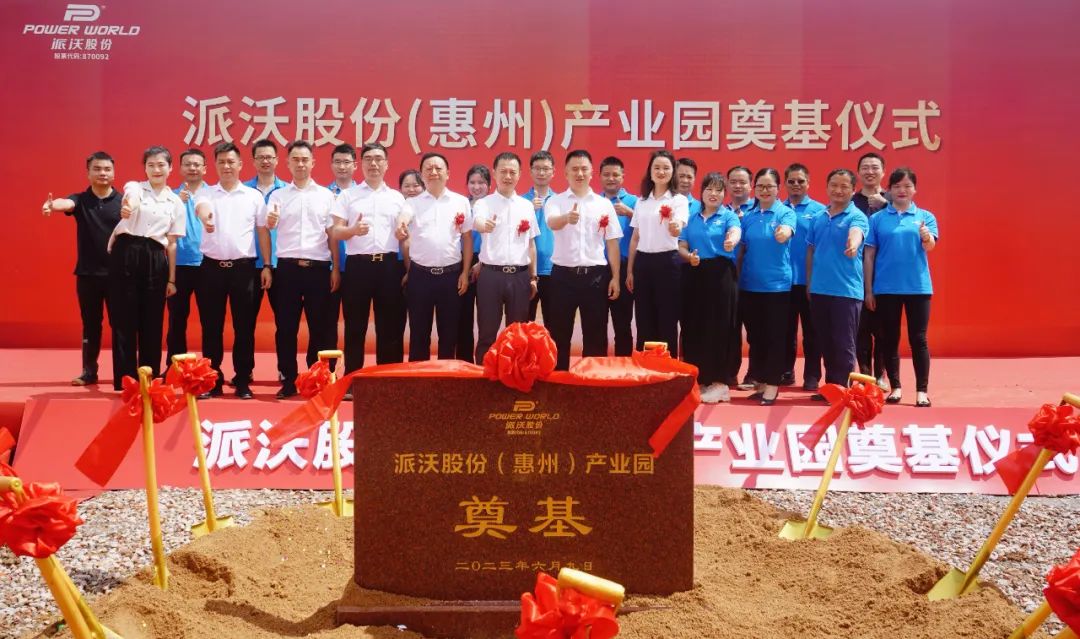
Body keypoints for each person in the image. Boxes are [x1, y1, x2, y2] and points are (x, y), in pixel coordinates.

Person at [261, 140, 338, 399]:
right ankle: (288, 378)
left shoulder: (326, 196)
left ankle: (316, 378)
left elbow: (332, 235)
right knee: (286, 328)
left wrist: (335, 268)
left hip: (319, 269)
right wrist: (272, 221)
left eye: (305, 159)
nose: (301, 164)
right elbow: (269, 225)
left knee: (319, 327)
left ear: (313, 163)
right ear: (288, 163)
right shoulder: (278, 196)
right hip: (287, 270)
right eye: (295, 159)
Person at [194, 142, 268, 399]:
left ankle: (243, 379)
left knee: (244, 327)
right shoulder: (206, 193)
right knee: (211, 327)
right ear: (215, 165)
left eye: (231, 162)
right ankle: (211, 380)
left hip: (243, 269)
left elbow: (262, 231)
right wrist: (207, 219)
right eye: (221, 162)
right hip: (211, 269)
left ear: (240, 165)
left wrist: (266, 265)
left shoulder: (253, 196)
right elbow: (202, 209)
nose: (226, 166)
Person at [41, 151, 122, 386]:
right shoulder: (81, 200)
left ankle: (123, 374)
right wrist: (52, 205)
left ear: (113, 173)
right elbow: (65, 203)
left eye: (107, 169)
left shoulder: (124, 201)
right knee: (91, 324)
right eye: (97, 169)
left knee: (120, 326)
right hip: (88, 275)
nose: (102, 173)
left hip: (119, 276)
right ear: (88, 173)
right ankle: (89, 371)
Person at [109, 146, 185, 384]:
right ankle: (125, 379)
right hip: (127, 252)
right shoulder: (135, 188)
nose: (156, 170)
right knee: (124, 317)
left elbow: (172, 243)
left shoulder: (175, 202)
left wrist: (172, 279)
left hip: (155, 256)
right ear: (145, 168)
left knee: (152, 319)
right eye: (151, 165)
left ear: (170, 168)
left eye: (161, 165)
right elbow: (130, 199)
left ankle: (148, 378)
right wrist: (128, 207)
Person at [331, 142, 410, 373]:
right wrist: (352, 231)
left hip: (389, 267)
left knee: (389, 326)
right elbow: (336, 231)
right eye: (368, 159)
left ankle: (387, 378)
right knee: (355, 326)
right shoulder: (348, 196)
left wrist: (408, 269)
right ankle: (353, 377)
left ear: (386, 164)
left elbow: (404, 237)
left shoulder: (397, 198)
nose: (373, 163)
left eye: (378, 159)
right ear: (361, 164)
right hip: (358, 267)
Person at [864, 167, 938, 407]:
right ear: (889, 190)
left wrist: (926, 236)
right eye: (896, 186)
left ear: (914, 189)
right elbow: (869, 255)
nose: (902, 191)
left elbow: (930, 246)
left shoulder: (925, 217)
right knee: (889, 338)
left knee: (919, 338)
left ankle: (922, 391)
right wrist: (869, 289)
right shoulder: (877, 219)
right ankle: (895, 387)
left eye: (907, 186)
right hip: (886, 288)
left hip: (918, 287)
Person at [545, 150, 621, 371]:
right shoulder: (556, 201)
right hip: (562, 276)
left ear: (591, 172)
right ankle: (559, 380)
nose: (579, 173)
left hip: (595, 277)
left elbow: (612, 243)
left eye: (584, 169)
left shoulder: (603, 204)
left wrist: (616, 277)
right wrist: (566, 218)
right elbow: (552, 222)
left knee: (595, 333)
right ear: (566, 173)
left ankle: (592, 381)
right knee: (559, 333)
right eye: (574, 169)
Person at [402, 152, 473, 361]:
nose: (433, 172)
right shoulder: (413, 203)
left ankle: (445, 378)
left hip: (451, 276)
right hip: (420, 276)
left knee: (449, 334)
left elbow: (467, 238)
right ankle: (418, 378)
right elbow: (404, 217)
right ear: (422, 174)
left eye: (438, 168)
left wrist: (465, 273)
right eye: (428, 168)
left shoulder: (460, 201)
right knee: (419, 334)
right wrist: (401, 224)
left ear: (448, 173)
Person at [805, 169, 869, 396]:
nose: (838, 190)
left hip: (846, 291)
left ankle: (843, 389)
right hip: (819, 289)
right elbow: (811, 251)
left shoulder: (857, 217)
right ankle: (832, 387)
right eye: (834, 185)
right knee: (826, 342)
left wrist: (853, 243)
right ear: (827, 187)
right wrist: (809, 283)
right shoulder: (819, 217)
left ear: (853, 190)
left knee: (844, 343)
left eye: (844, 186)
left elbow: (856, 233)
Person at [677, 172, 740, 403]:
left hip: (721, 275)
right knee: (694, 325)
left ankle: (720, 382)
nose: (713, 194)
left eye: (718, 190)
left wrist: (731, 241)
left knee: (720, 327)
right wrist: (688, 256)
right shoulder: (692, 218)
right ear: (701, 192)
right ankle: (700, 379)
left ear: (724, 194)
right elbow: (681, 245)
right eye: (709, 189)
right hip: (695, 274)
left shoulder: (728, 216)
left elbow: (735, 232)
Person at [737, 168, 795, 405]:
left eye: (769, 186)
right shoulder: (749, 216)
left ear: (778, 188)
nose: (764, 190)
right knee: (756, 337)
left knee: (774, 337)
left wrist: (783, 233)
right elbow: (742, 248)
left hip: (776, 287)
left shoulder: (785, 213)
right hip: (750, 285)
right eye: (760, 186)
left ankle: (772, 385)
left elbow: (787, 231)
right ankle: (760, 382)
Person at [472, 152, 538, 361]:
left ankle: (514, 374)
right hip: (491, 276)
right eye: (503, 171)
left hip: (520, 276)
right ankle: (484, 374)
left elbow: (531, 244)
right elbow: (478, 222)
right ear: (494, 173)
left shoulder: (526, 206)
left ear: (519, 174)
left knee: (517, 335)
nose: (508, 176)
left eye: (512, 172)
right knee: (487, 332)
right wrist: (484, 225)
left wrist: (533, 277)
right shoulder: (484, 204)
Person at [626, 149, 688, 356]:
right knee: (644, 317)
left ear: (673, 172)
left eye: (666, 168)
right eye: (657, 168)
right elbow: (635, 237)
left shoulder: (678, 200)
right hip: (643, 263)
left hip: (667, 263)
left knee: (667, 318)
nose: (661, 172)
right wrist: (630, 270)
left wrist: (675, 226)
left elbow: (679, 224)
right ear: (650, 172)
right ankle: (645, 365)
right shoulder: (642, 201)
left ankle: (667, 366)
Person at [242, 139, 287, 385]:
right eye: (260, 157)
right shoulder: (244, 191)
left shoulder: (287, 191)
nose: (265, 161)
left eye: (270, 157)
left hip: (281, 264)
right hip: (250, 264)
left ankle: (285, 369)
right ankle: (245, 370)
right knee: (246, 322)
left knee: (285, 322)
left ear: (277, 160)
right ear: (253, 161)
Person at [782, 163, 827, 390]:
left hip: (810, 281)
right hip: (783, 282)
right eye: (791, 181)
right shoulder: (778, 209)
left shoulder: (820, 211)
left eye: (800, 181)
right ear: (785, 183)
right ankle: (786, 371)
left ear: (808, 183)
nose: (796, 185)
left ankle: (812, 376)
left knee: (812, 332)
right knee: (785, 331)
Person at [165, 149, 211, 372]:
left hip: (208, 265)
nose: (192, 168)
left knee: (210, 322)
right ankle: (175, 367)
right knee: (176, 320)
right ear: (180, 168)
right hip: (178, 267)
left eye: (197, 164)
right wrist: (175, 204)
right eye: (188, 164)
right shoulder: (169, 196)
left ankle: (209, 369)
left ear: (205, 168)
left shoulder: (215, 195)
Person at [852, 152, 889, 386]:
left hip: (885, 273)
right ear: (858, 173)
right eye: (865, 167)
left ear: (883, 172)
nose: (870, 172)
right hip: (855, 274)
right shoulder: (851, 201)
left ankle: (881, 375)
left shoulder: (893, 200)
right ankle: (865, 375)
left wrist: (885, 205)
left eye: (875, 167)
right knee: (861, 329)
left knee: (883, 329)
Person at [599, 156, 638, 355]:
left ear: (623, 176)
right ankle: (597, 367)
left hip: (624, 267)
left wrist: (631, 213)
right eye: (606, 174)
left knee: (622, 323)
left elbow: (649, 230)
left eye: (615, 174)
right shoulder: (594, 202)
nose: (611, 178)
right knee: (597, 322)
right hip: (598, 268)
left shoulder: (635, 202)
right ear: (599, 176)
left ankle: (624, 365)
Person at [323, 143, 358, 367]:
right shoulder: (322, 194)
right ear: (331, 165)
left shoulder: (363, 194)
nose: (342, 166)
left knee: (355, 322)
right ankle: (329, 370)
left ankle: (352, 371)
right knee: (328, 322)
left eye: (346, 162)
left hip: (356, 268)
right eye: (338, 162)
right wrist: (334, 267)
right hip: (329, 268)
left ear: (355, 165)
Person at [725, 165, 756, 389]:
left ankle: (755, 373)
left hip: (753, 279)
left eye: (742, 182)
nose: (738, 186)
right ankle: (730, 373)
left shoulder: (758, 209)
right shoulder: (720, 211)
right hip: (728, 280)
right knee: (730, 329)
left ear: (750, 185)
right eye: (733, 181)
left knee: (755, 330)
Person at [458, 164, 491, 362]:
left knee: (487, 317)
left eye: (481, 183)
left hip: (487, 262)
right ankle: (464, 361)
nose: (476, 187)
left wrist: (483, 262)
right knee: (463, 315)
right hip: (463, 261)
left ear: (489, 185)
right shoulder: (461, 206)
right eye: (472, 182)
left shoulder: (494, 206)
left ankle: (486, 361)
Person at [522, 151, 556, 323]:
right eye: (537, 168)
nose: (541, 173)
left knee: (554, 324)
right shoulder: (520, 202)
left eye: (546, 169)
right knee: (524, 323)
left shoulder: (560, 201)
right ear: (530, 171)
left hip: (553, 270)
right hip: (526, 270)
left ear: (553, 172)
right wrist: (530, 210)